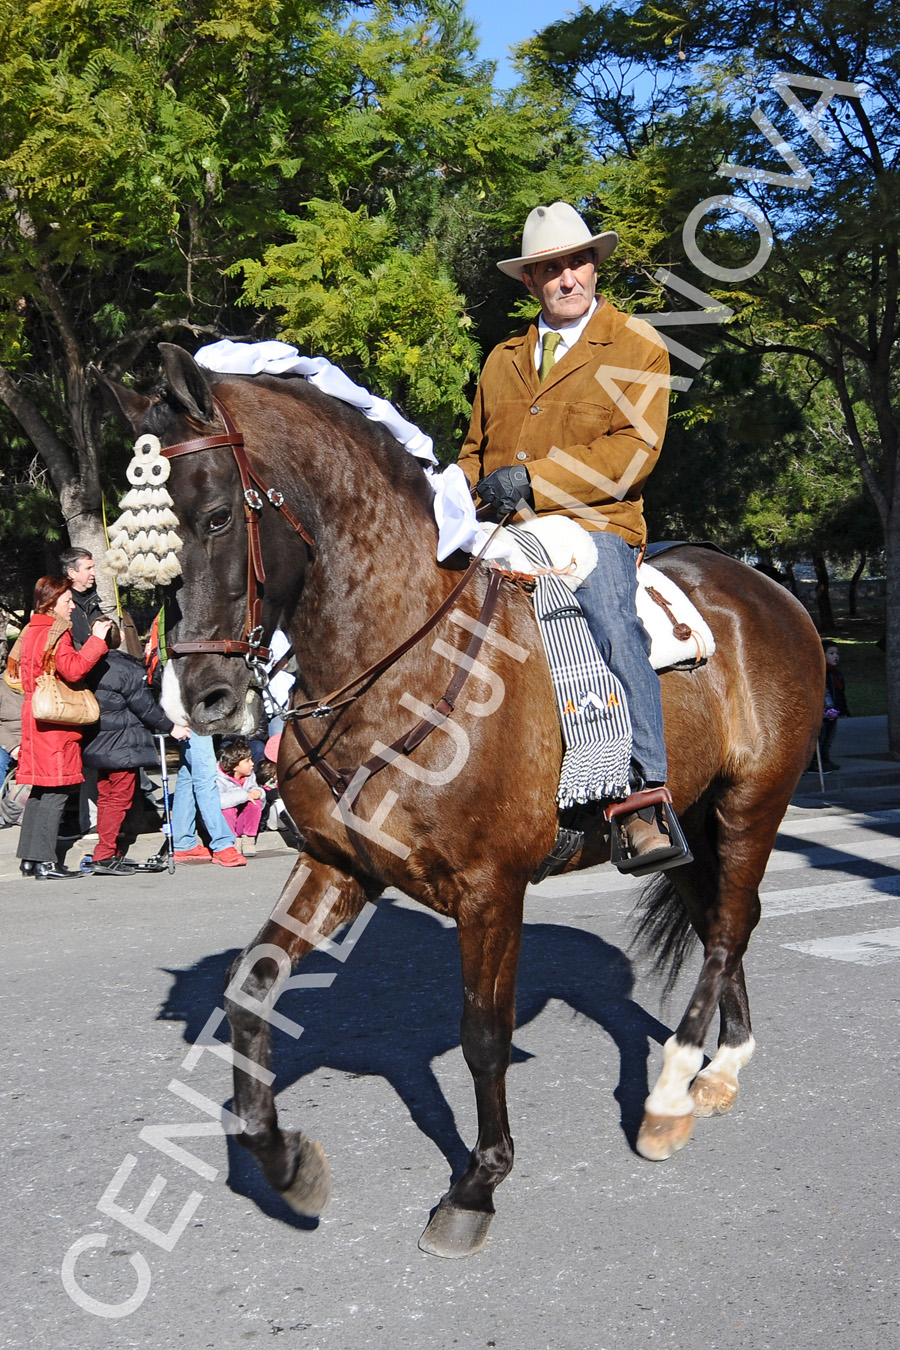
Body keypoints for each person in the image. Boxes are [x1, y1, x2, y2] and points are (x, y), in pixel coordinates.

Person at [457, 200, 685, 871]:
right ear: (530, 281)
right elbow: (474, 449)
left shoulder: (638, 345)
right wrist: (463, 494)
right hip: (504, 531)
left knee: (613, 623)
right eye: (550, 268)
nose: (566, 278)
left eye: (576, 263)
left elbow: (634, 451)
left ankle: (644, 799)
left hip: (595, 529)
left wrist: (533, 482)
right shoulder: (501, 360)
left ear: (594, 266)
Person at [11, 576, 111, 879]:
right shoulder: (57, 631)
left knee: (41, 789)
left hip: (34, 714)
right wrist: (96, 640)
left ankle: (30, 858)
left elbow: (14, 672)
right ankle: (46, 862)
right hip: (55, 721)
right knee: (56, 789)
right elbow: (73, 668)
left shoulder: (30, 629)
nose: (71, 607)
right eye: (67, 601)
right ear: (52, 602)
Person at [81, 624, 191, 874]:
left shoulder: (88, 663)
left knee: (107, 797)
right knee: (118, 799)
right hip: (123, 743)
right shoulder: (127, 668)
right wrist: (171, 727)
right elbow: (145, 707)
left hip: (98, 741)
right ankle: (105, 853)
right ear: (119, 637)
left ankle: (109, 850)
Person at [216, 737, 264, 855]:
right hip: (224, 821)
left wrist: (258, 791)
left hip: (241, 817)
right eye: (247, 761)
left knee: (255, 802)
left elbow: (254, 787)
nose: (252, 763)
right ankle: (232, 841)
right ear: (235, 766)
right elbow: (219, 802)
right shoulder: (218, 778)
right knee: (228, 810)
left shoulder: (249, 774)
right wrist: (245, 795)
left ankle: (249, 839)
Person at [813, 641, 850, 773]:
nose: (835, 656)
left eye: (837, 653)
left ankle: (825, 759)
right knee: (820, 737)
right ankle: (815, 763)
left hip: (833, 712)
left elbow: (840, 693)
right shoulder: (819, 673)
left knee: (829, 737)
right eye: (831, 653)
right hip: (822, 712)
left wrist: (843, 709)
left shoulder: (836, 674)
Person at [59, 548, 105, 650]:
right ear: (72, 573)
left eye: (93, 568)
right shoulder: (60, 605)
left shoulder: (93, 599)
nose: (94, 573)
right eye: (88, 568)